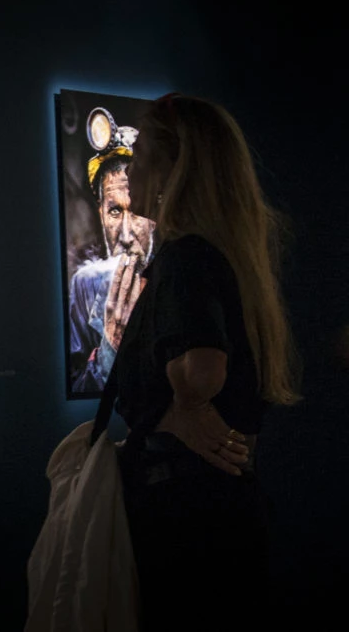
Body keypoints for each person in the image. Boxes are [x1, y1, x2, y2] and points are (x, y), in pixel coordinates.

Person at [111, 92, 300, 631]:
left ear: (176, 167)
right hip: (225, 513)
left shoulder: (185, 256)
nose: (130, 170)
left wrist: (179, 410)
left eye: (141, 155)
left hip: (186, 519)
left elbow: (201, 372)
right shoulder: (228, 255)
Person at [68, 106, 155, 394]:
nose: (127, 235)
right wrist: (110, 346)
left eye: (138, 211)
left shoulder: (177, 277)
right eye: (115, 211)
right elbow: (77, 388)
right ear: (100, 214)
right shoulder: (86, 285)